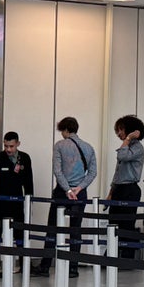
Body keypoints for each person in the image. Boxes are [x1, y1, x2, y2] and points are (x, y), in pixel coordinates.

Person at [35, 117, 97, 278]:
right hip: (80, 193)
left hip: (62, 193)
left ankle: (45, 266)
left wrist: (68, 190)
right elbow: (92, 172)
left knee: (52, 229)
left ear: (65, 129)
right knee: (75, 230)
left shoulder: (60, 146)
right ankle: (73, 268)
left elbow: (57, 170)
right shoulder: (88, 147)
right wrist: (79, 188)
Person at [0, 132, 34, 277]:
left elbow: (28, 181)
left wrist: (29, 199)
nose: (8, 149)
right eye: (6, 146)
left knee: (20, 235)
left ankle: (25, 267)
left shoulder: (24, 158)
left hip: (17, 202)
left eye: (11, 146)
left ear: (18, 143)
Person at [107, 115, 144, 258]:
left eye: (121, 130)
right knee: (113, 222)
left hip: (130, 189)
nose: (119, 133)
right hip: (119, 188)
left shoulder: (137, 147)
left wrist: (128, 138)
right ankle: (112, 253)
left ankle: (127, 256)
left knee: (127, 223)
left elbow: (122, 156)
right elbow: (117, 172)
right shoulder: (125, 146)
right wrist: (111, 192)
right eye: (117, 130)